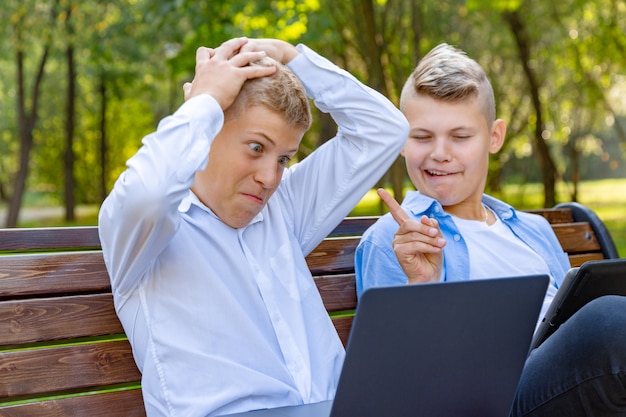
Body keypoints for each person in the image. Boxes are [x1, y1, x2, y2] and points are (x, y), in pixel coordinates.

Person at [98, 37, 408, 417]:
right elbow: (147, 194)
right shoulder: (147, 234)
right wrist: (205, 99)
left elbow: (385, 130)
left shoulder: (283, 209)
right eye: (257, 148)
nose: (270, 177)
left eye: (283, 158)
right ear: (207, 131)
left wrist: (289, 55)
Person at [355, 43, 626, 416]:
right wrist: (421, 287)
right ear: (402, 141)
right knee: (610, 323)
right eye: (422, 137)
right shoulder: (397, 241)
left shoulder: (534, 231)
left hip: (571, 389)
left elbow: (569, 328)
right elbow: (393, 386)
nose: (439, 153)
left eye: (460, 136)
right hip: (488, 404)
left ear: (494, 137)